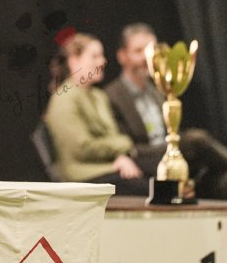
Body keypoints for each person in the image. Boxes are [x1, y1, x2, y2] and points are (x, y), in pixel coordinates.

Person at [104, 23, 227, 228]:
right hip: (143, 159)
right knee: (196, 140)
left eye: (151, 50)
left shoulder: (157, 92)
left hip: (170, 156)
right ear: (122, 56)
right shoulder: (111, 96)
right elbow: (118, 142)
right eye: (138, 51)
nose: (146, 58)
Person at [43, 33, 150, 195]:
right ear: (74, 61)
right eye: (94, 56)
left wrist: (120, 156)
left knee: (159, 169)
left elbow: (111, 135)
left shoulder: (98, 96)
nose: (102, 61)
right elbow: (81, 148)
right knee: (146, 186)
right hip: (82, 174)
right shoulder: (64, 99)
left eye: (102, 56)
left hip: (109, 164)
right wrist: (123, 146)